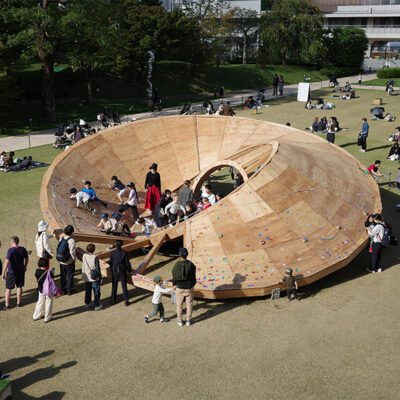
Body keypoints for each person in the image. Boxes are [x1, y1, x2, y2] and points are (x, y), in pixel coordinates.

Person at [2, 236, 29, 310]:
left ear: (13, 242)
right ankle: (19, 303)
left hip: (11, 272)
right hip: (20, 271)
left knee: (8, 288)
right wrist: (25, 266)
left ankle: (7, 305)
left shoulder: (10, 251)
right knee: (19, 286)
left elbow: (6, 262)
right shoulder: (23, 249)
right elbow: (27, 258)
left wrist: (3, 273)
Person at [172, 248, 197, 327]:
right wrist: (193, 284)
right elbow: (193, 276)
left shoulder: (176, 265)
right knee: (189, 305)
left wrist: (175, 284)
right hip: (189, 287)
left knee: (179, 305)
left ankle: (180, 321)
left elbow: (174, 276)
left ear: (180, 255)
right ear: (187, 255)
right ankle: (188, 320)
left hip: (179, 287)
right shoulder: (191, 264)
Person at [109, 240, 132, 306]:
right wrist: (129, 270)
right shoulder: (124, 253)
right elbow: (127, 263)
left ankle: (113, 300)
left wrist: (111, 270)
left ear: (115, 245)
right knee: (124, 286)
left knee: (114, 286)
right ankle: (126, 300)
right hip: (122, 270)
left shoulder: (112, 253)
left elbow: (110, 262)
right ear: (121, 245)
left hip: (115, 270)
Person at [32, 257, 54, 323]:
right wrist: (52, 272)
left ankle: (36, 316)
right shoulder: (48, 273)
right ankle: (47, 317)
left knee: (40, 303)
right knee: (48, 303)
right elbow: (51, 280)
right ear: (47, 264)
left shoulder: (37, 271)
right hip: (48, 291)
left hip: (41, 290)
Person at [56, 225, 77, 295]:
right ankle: (69, 289)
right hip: (69, 262)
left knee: (63, 275)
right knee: (70, 276)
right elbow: (72, 252)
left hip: (61, 261)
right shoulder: (72, 240)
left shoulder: (61, 238)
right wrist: (74, 260)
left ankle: (63, 289)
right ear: (72, 232)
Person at [82, 244, 103, 311]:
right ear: (94, 250)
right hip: (94, 277)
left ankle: (88, 302)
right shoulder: (95, 257)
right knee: (96, 291)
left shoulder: (84, 255)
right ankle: (97, 305)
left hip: (86, 276)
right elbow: (97, 269)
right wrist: (100, 277)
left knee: (88, 290)